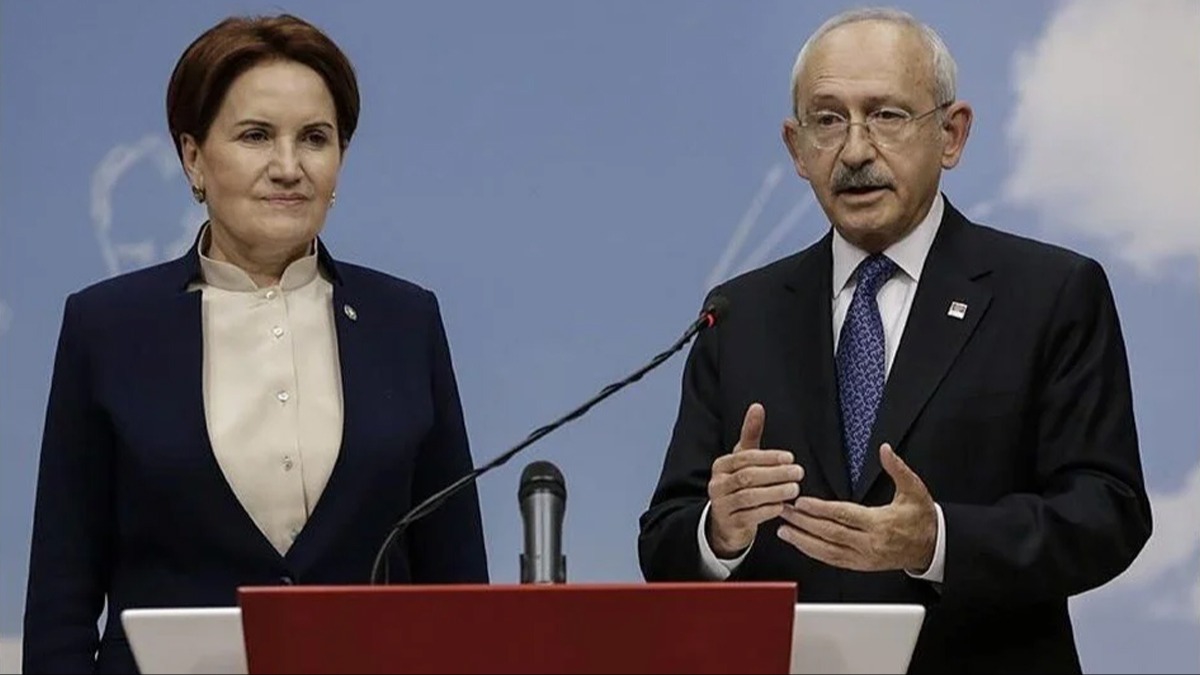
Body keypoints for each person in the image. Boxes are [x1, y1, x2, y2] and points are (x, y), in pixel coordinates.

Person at [637, 7, 1151, 673]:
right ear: (796, 148)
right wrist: (719, 530)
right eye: (828, 120)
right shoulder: (738, 314)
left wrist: (938, 540)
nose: (854, 151)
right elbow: (665, 541)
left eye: (886, 115)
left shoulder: (1050, 293)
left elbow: (1107, 513)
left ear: (951, 134)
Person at [23, 14, 488, 674]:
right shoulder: (107, 327)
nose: (288, 167)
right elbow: (61, 601)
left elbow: (457, 584)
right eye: (256, 136)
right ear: (193, 158)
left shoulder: (406, 321)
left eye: (315, 139)